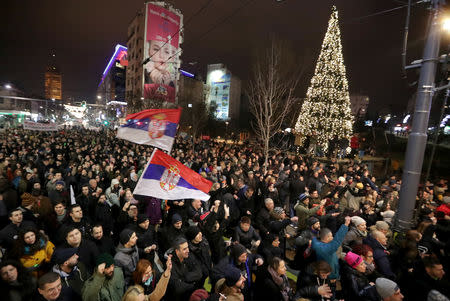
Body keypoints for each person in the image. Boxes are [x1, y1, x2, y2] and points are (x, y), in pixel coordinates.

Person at [312, 216, 350, 280]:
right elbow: (338, 239)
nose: (332, 238)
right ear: (326, 238)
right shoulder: (326, 249)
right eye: (331, 236)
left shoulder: (317, 242)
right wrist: (346, 224)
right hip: (330, 272)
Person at [166, 237, 203, 301]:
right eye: (184, 249)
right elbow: (177, 287)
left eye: (187, 247)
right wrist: (192, 285)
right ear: (177, 251)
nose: (188, 250)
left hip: (192, 292)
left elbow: (199, 272)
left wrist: (184, 278)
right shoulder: (170, 264)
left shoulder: (188, 256)